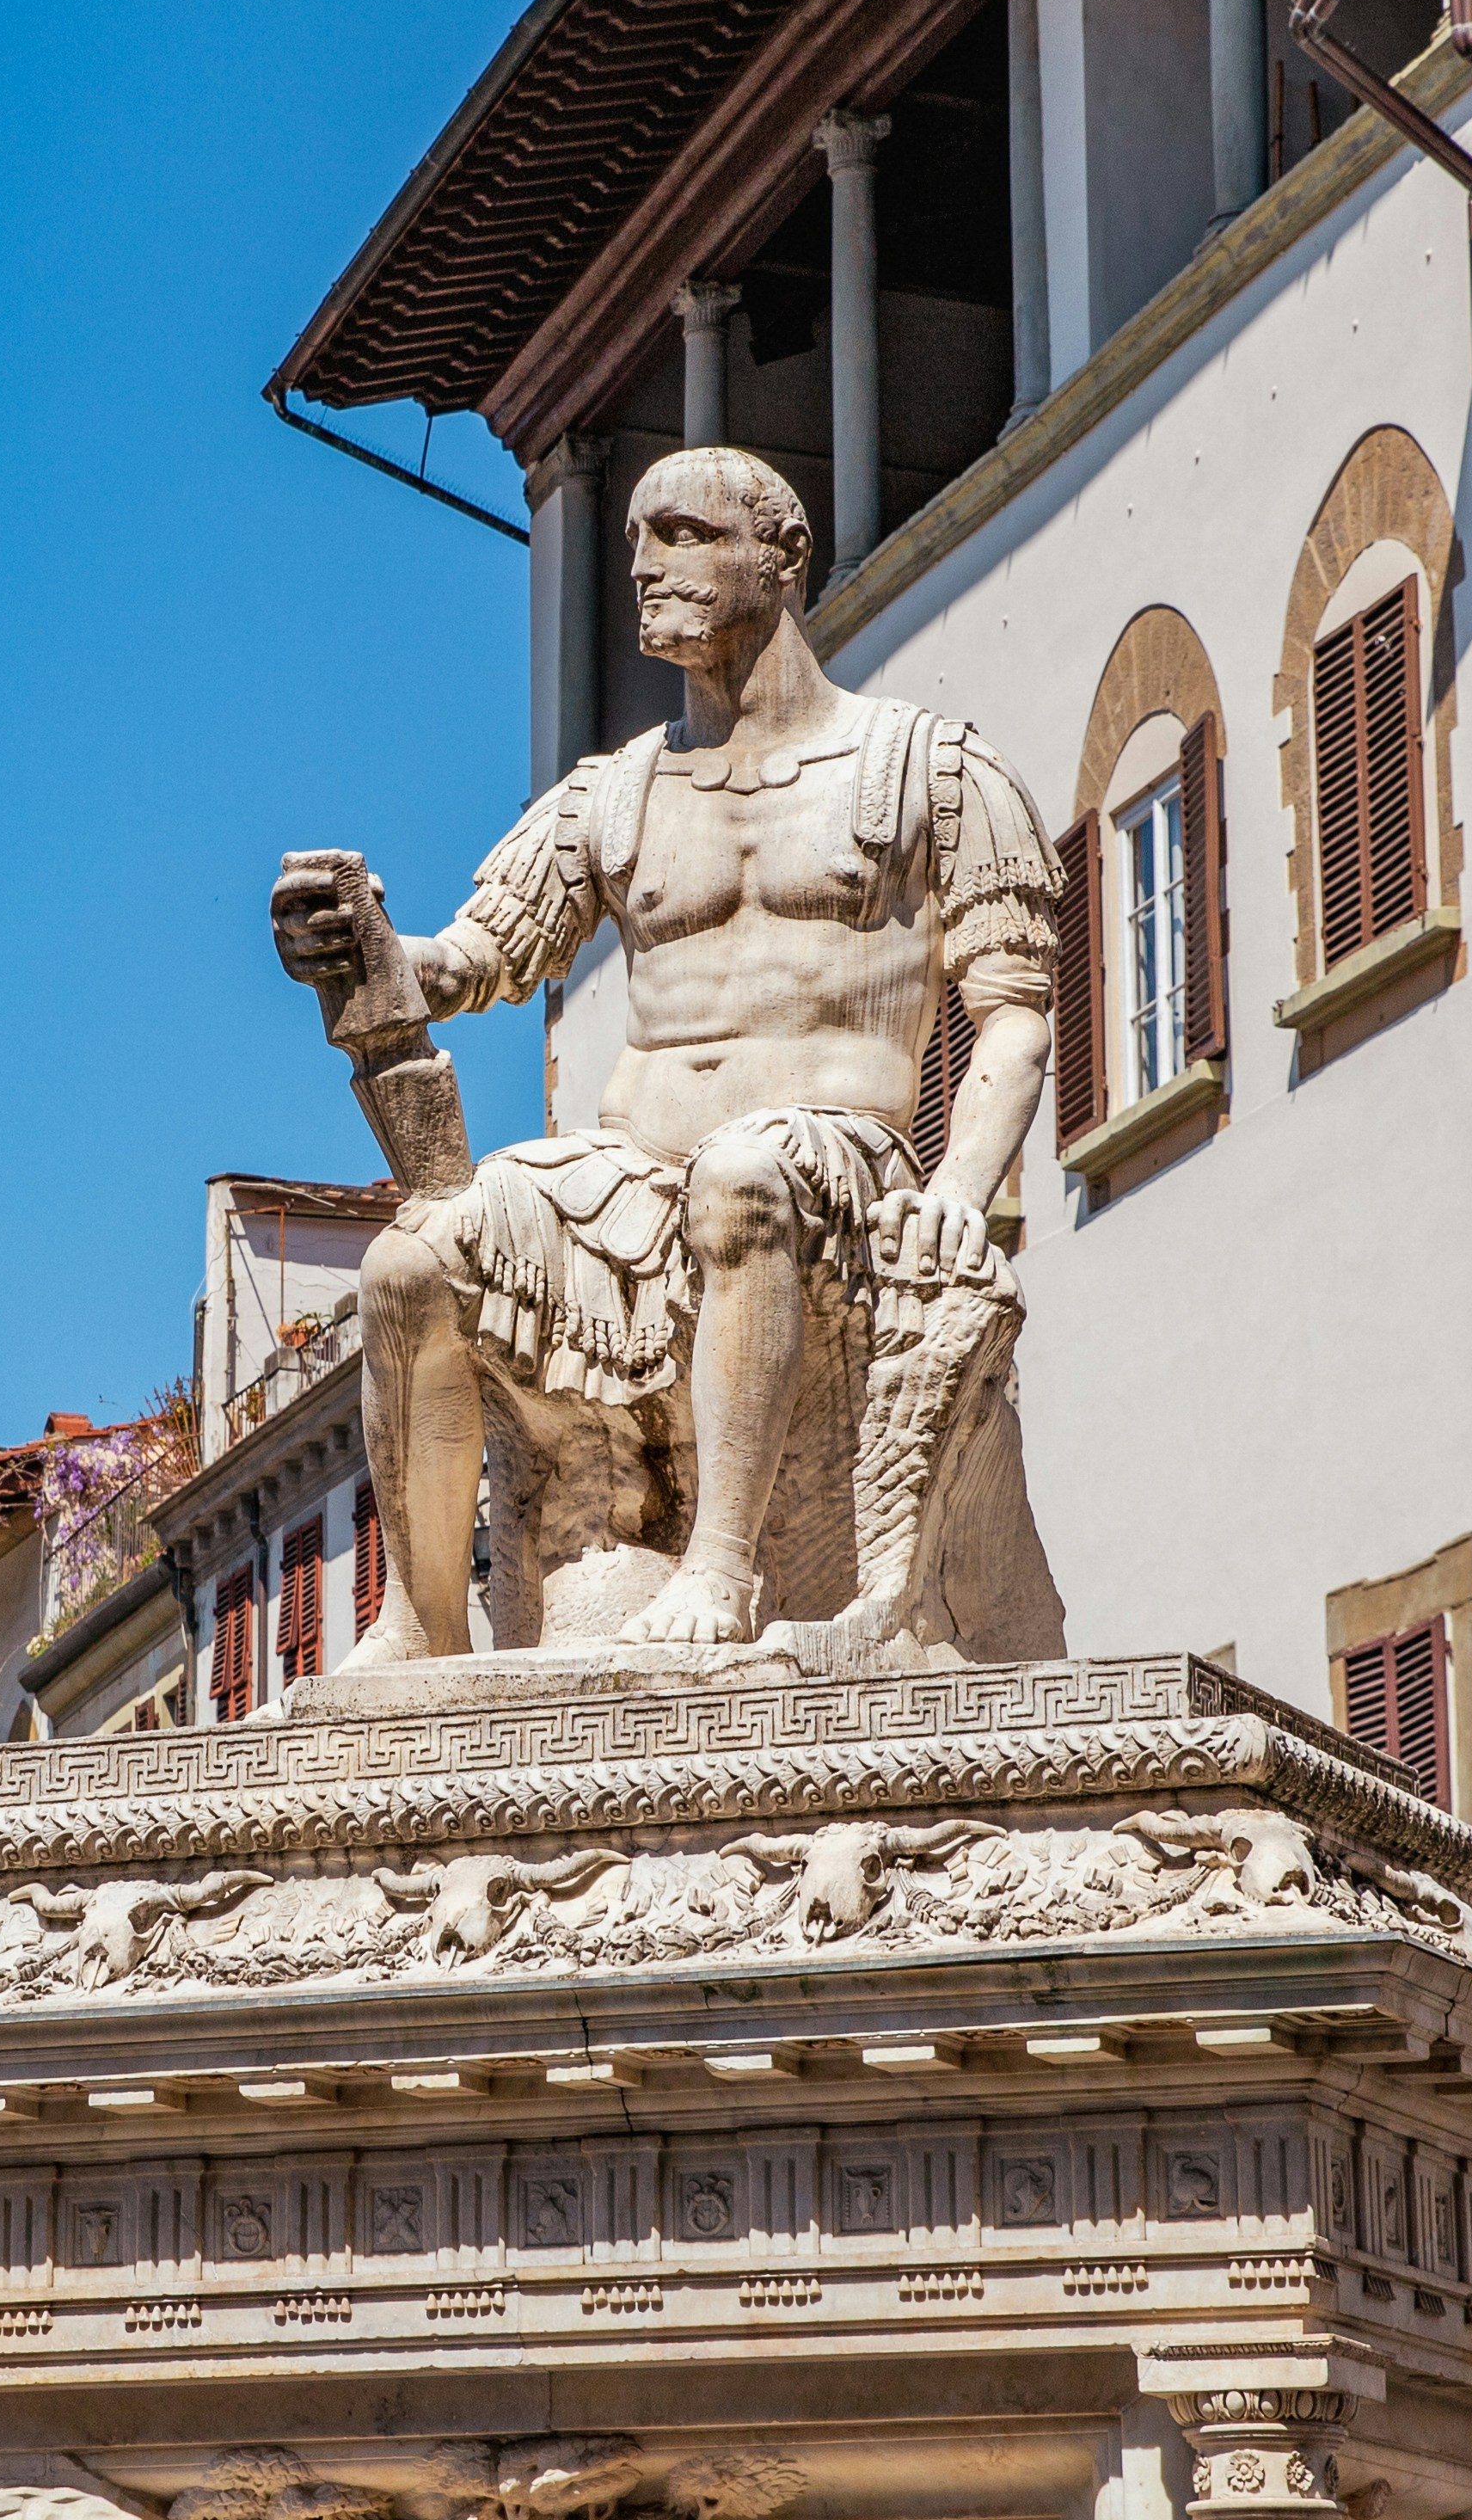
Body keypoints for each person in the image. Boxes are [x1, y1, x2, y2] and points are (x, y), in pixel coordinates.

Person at [273, 448, 1053, 1657]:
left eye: (685, 534)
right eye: (637, 539)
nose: (645, 564)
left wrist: (960, 1190)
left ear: (783, 557)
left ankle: (722, 1569)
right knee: (410, 1263)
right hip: (632, 1179)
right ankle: (421, 1623)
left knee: (742, 1174)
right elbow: (471, 962)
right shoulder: (612, 796)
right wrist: (358, 943)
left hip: (837, 1167)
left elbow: (1014, 1007)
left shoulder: (930, 769)